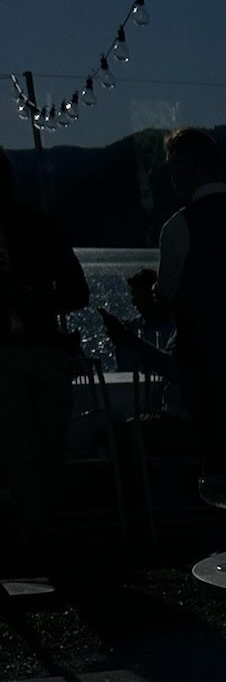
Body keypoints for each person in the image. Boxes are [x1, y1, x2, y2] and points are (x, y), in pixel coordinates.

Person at [136, 127, 226, 471]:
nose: (170, 176)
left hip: (204, 363)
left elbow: (164, 306)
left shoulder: (178, 228)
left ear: (188, 165)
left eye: (171, 167)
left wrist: (147, 297)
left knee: (219, 457)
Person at [0, 147, 89, 569]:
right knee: (28, 446)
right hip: (19, 355)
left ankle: (38, 530)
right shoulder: (42, 226)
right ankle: (37, 533)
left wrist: (34, 300)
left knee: (42, 447)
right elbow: (76, 292)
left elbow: (78, 292)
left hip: (36, 352)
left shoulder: (39, 228)